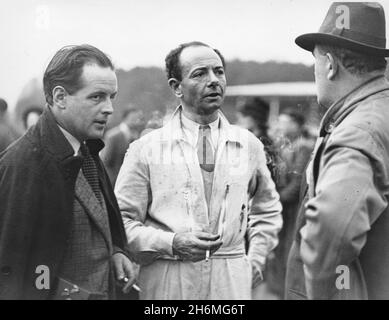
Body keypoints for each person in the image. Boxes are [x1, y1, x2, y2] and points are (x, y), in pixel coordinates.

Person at [115, 41, 282, 300]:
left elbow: (267, 209)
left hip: (231, 279)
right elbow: (121, 223)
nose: (214, 80)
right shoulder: (146, 148)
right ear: (176, 87)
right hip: (168, 278)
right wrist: (172, 243)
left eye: (219, 71)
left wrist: (256, 257)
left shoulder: (248, 144)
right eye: (200, 73)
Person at [0, 44, 137, 300]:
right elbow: (12, 272)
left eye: (112, 97)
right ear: (60, 97)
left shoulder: (86, 148)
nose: (109, 108)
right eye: (97, 97)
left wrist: (116, 250)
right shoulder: (22, 165)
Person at [286, 2, 389, 300]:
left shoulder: (359, 129)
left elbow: (331, 234)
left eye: (315, 62)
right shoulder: (378, 112)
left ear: (330, 65)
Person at [266, 108, 314, 298]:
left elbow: (297, 184)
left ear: (296, 125)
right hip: (282, 204)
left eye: (285, 122)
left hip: (292, 207)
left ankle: (287, 291)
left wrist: (275, 200)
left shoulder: (304, 146)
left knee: (289, 248)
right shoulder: (283, 145)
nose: (281, 125)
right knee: (277, 248)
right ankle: (277, 289)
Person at [235, 97, 279, 183]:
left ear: (253, 119)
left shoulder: (261, 143)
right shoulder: (261, 140)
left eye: (241, 118)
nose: (238, 122)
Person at [101, 107, 145, 185]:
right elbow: (105, 160)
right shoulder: (113, 135)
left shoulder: (138, 136)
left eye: (138, 119)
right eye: (133, 118)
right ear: (125, 118)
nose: (137, 121)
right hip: (114, 182)